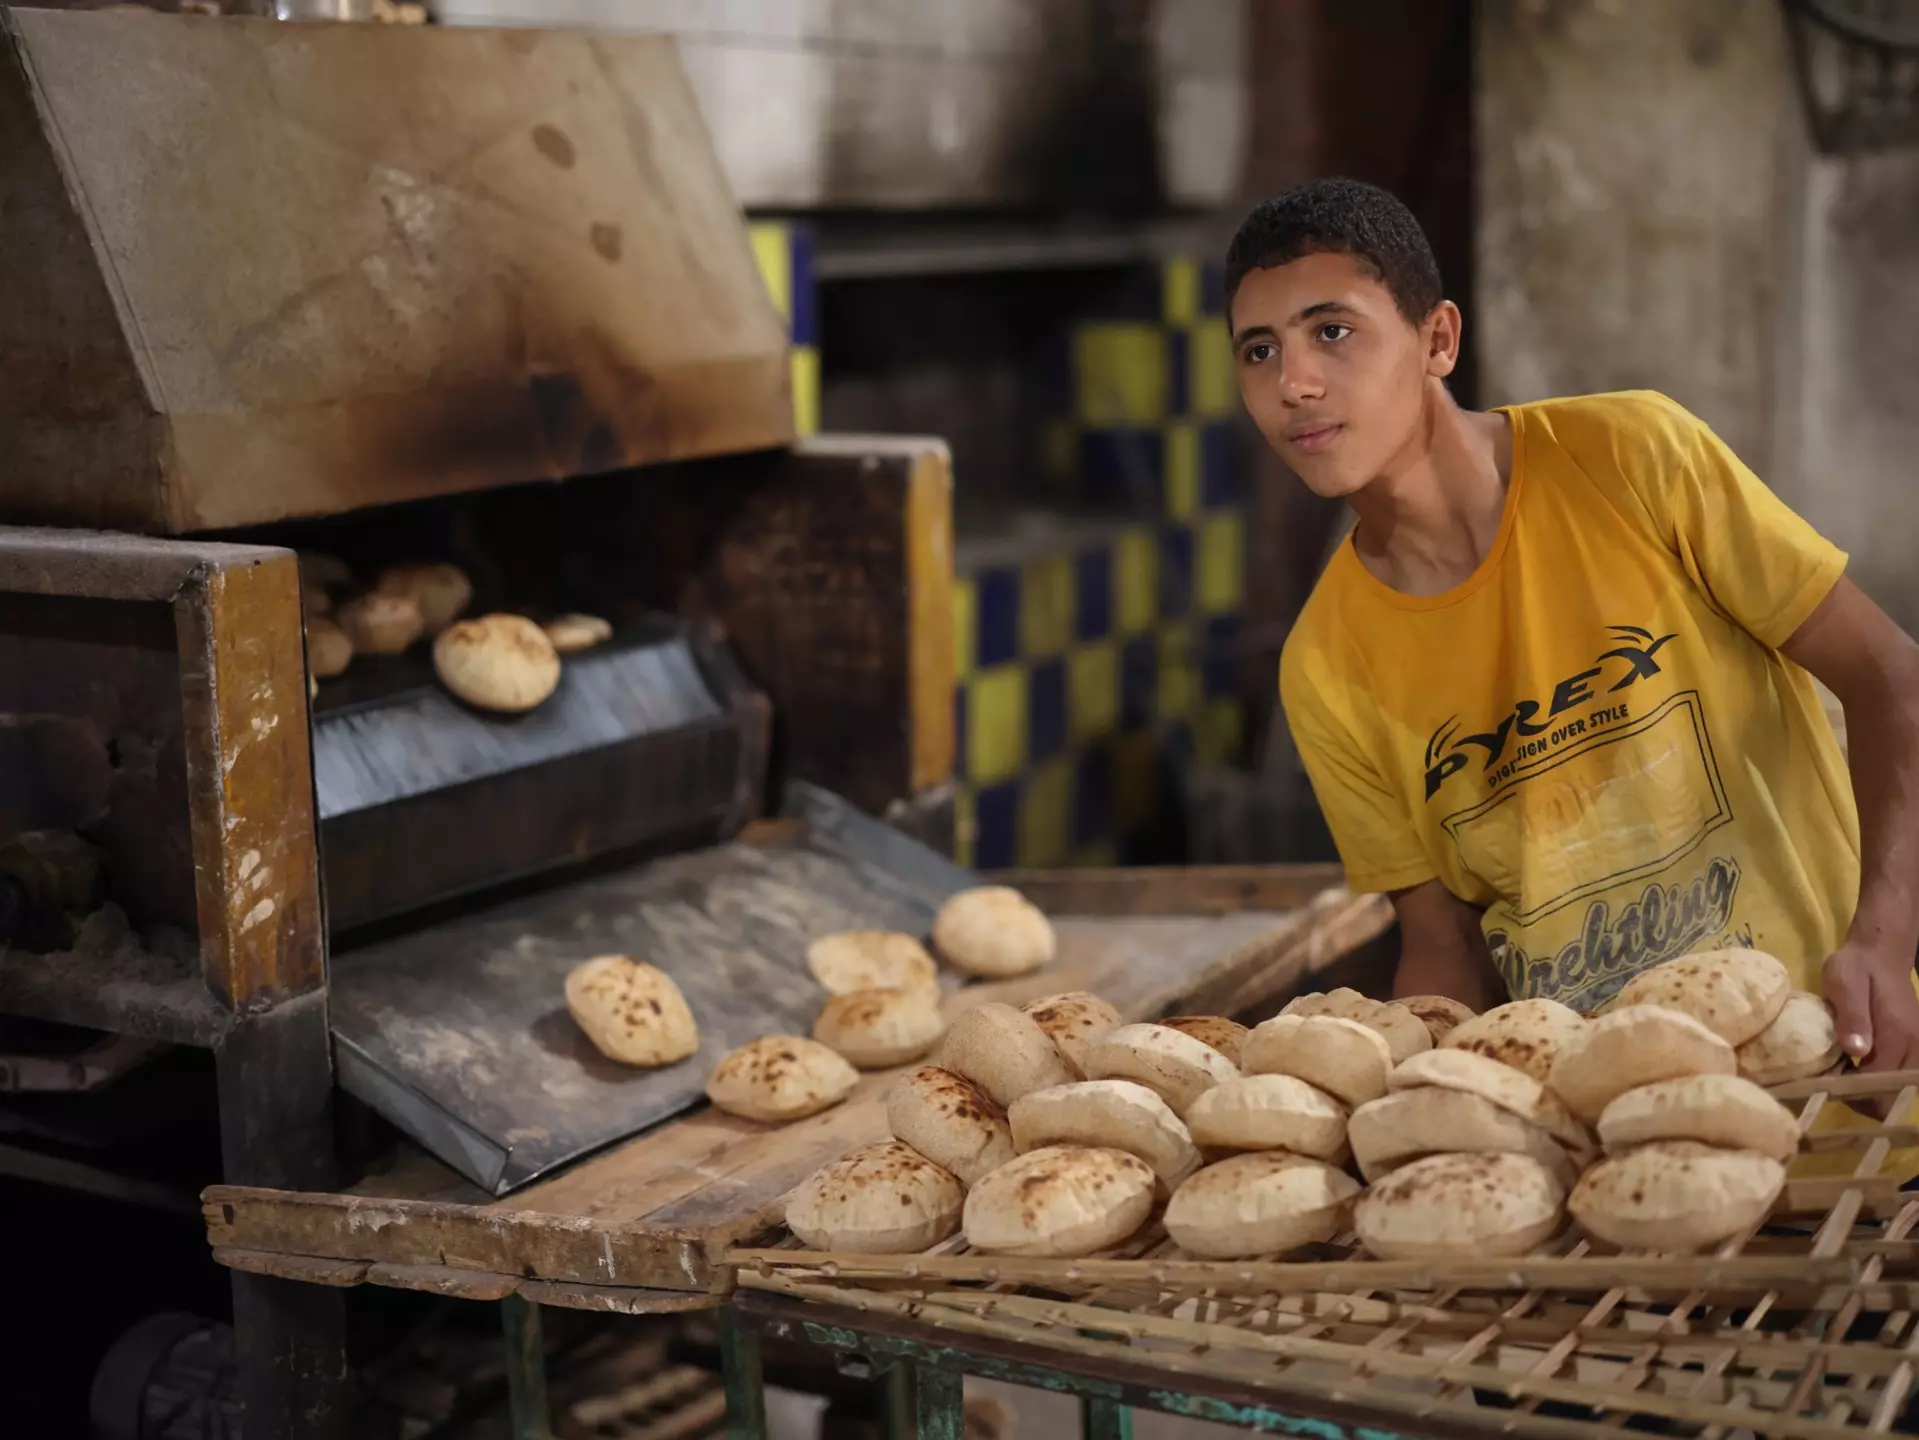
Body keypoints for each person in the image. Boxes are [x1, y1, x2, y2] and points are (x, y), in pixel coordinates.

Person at [1229, 178, 1919, 1103]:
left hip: (1844, 1093)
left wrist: (1883, 937)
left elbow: (1890, 680)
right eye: (1259, 351)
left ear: (1437, 338)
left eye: (1332, 331)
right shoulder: (1323, 664)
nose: (1294, 383)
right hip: (1609, 1159)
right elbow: (1443, 948)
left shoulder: (1633, 458)